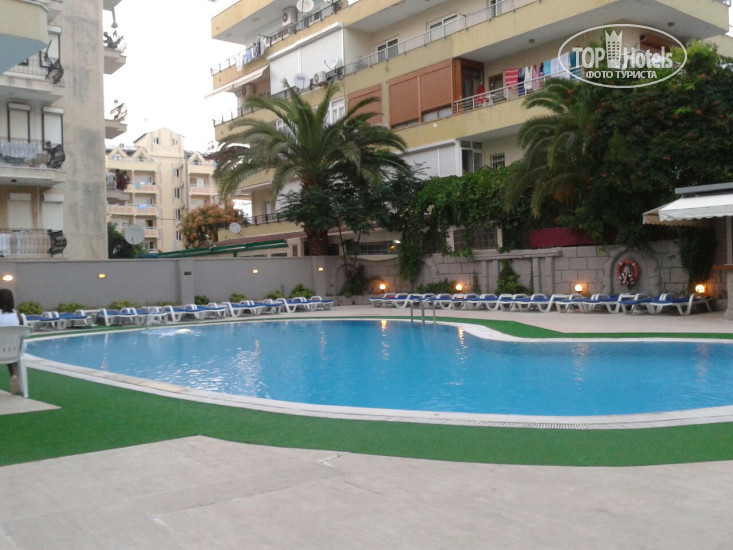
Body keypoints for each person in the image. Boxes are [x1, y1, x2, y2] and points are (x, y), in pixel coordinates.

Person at [0, 288, 22, 395]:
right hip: (14, 352)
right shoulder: (17, 315)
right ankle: (13, 374)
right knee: (7, 346)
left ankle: (13, 375)